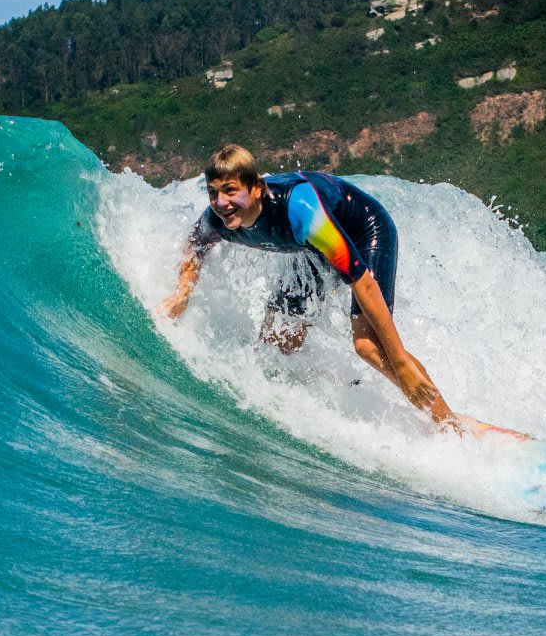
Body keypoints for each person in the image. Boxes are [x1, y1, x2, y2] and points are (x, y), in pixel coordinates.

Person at [160, 144, 456, 426]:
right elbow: (194, 248)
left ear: (257, 188)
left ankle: (447, 422)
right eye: (213, 193)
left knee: (367, 345)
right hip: (311, 250)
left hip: (364, 230)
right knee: (276, 345)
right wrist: (182, 293)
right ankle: (340, 387)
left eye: (230, 191)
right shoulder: (218, 220)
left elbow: (362, 282)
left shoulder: (300, 211)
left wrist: (401, 362)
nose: (221, 203)